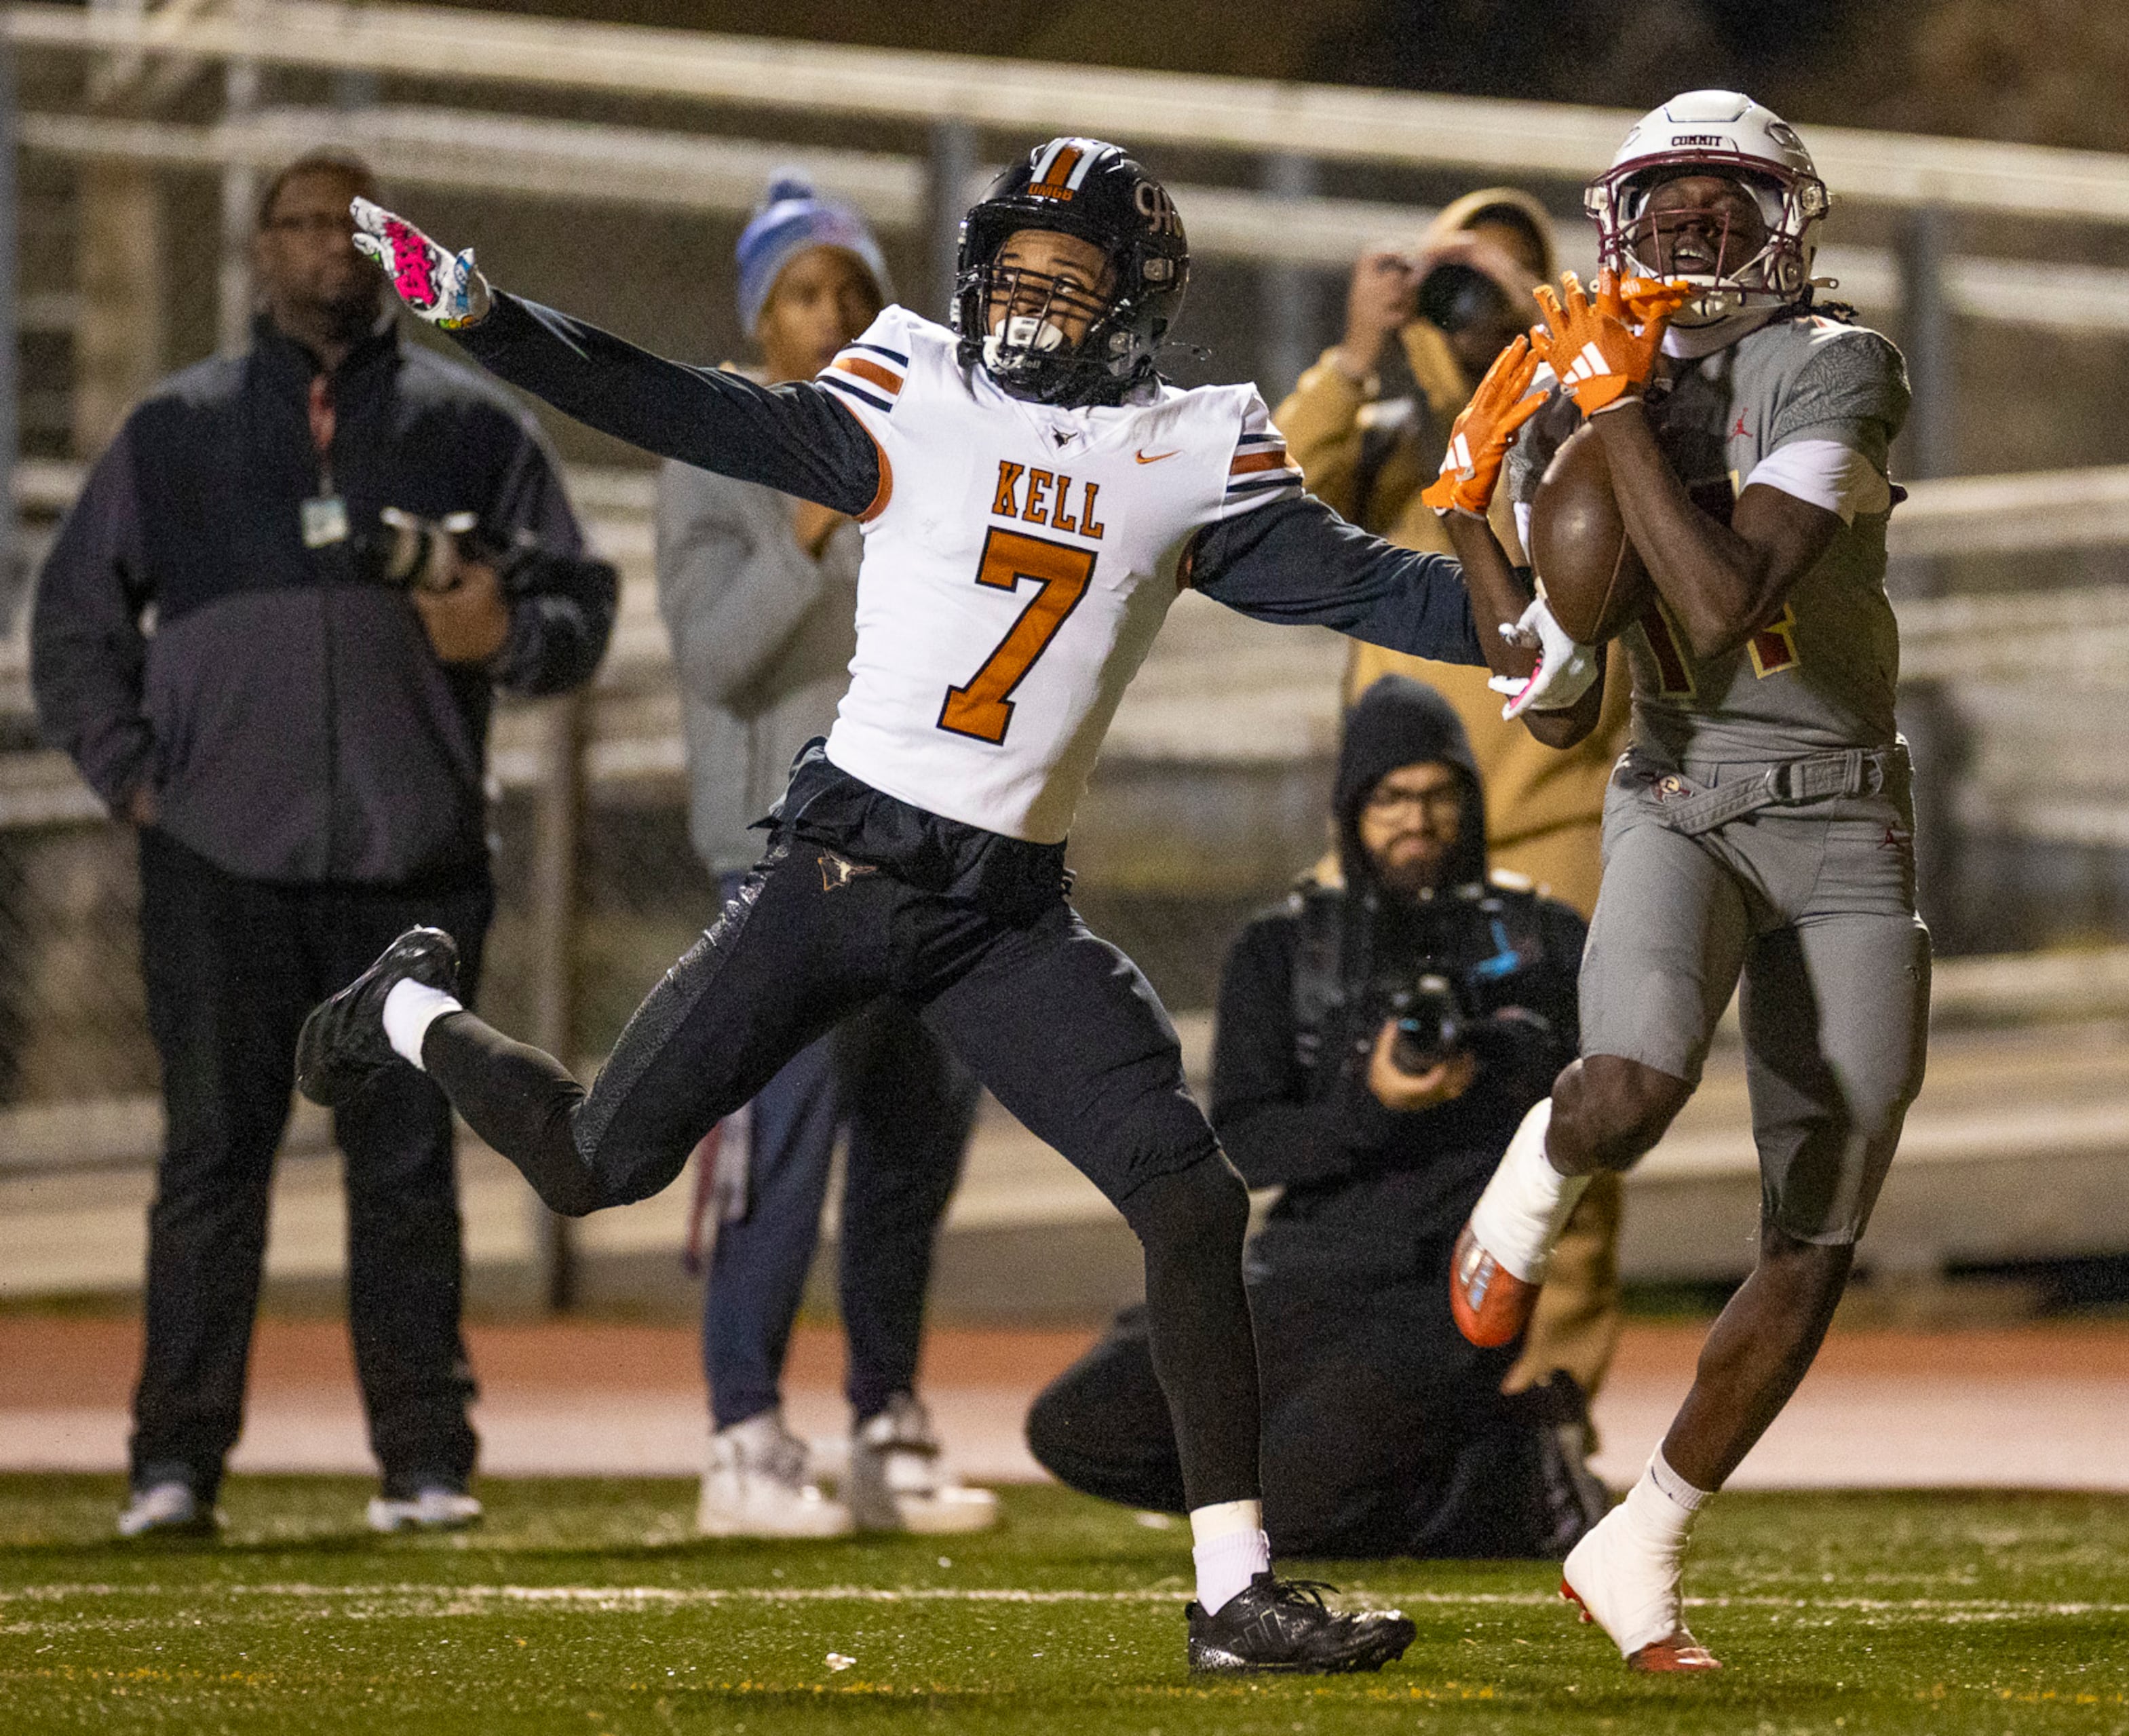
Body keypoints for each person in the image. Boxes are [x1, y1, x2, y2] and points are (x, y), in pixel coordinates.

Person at [298, 136, 1539, 1674]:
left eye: (1065, 279)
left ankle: (1235, 1594)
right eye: (1010, 270)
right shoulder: (911, 386)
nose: (1026, 304)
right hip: (838, 870)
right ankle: (405, 1003)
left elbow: (1383, 591)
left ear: (1136, 298)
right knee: (593, 1162)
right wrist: (493, 320)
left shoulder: (1192, 446)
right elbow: (685, 405)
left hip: (1002, 913)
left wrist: (1543, 602)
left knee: (1192, 1193)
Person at [28, 149, 617, 1539]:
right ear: (258, 251)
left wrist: (510, 635)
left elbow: (577, 605)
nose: (328, 249)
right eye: (300, 224)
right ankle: (174, 1467)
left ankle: (424, 1461)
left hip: (414, 871)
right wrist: (137, 785)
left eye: (355, 226)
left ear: (393, 248)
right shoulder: (169, 434)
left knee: (408, 1172)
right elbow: (72, 630)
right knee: (212, 1165)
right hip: (218, 865)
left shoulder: (475, 430)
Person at [1433, 92, 1929, 1670]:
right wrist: (1470, 514)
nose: (1704, 219)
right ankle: (1535, 1175)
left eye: (1734, 195)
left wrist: (1615, 420)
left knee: (1818, 1226)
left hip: (1845, 815)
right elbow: (1560, 698)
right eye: (1679, 196)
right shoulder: (1595, 409)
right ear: (1625, 218)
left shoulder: (1838, 360)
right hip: (1678, 796)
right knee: (1632, 1087)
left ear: (1787, 216)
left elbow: (1721, 601)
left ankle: (1638, 1537)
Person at [1026, 676, 1602, 1559]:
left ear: (1471, 799)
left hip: (1441, 1292)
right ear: (1352, 808)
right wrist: (1370, 1107)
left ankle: (1514, 1474)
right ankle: (1446, 1462)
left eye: (1441, 794)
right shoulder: (1281, 949)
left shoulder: (1540, 940)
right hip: (1298, 1279)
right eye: (1392, 798)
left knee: (1287, 1515)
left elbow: (1592, 1118)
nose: (1418, 819)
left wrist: (1491, 1064)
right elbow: (1247, 1145)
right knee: (1075, 1428)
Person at [661, 173, 992, 1539]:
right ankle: (742, 1432)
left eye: (855, 289)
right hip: (782, 861)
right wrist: (808, 524)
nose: (838, 313)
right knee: (778, 1151)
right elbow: (717, 657)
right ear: (763, 316)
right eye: (807, 292)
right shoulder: (714, 452)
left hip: (921, 854)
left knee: (915, 1142)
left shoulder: (922, 448)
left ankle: (882, 1421)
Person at [1275, 187, 1636, 1408]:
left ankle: (1550, 1412)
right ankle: (1374, 1395)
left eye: (1510, 271)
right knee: (1368, 1107)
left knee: (1563, 1128)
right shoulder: (1387, 426)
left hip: (1556, 820)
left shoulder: (1601, 406)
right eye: (1459, 274)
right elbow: (1265, 506)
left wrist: (1542, 336)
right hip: (1393, 842)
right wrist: (1358, 350)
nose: (1477, 298)